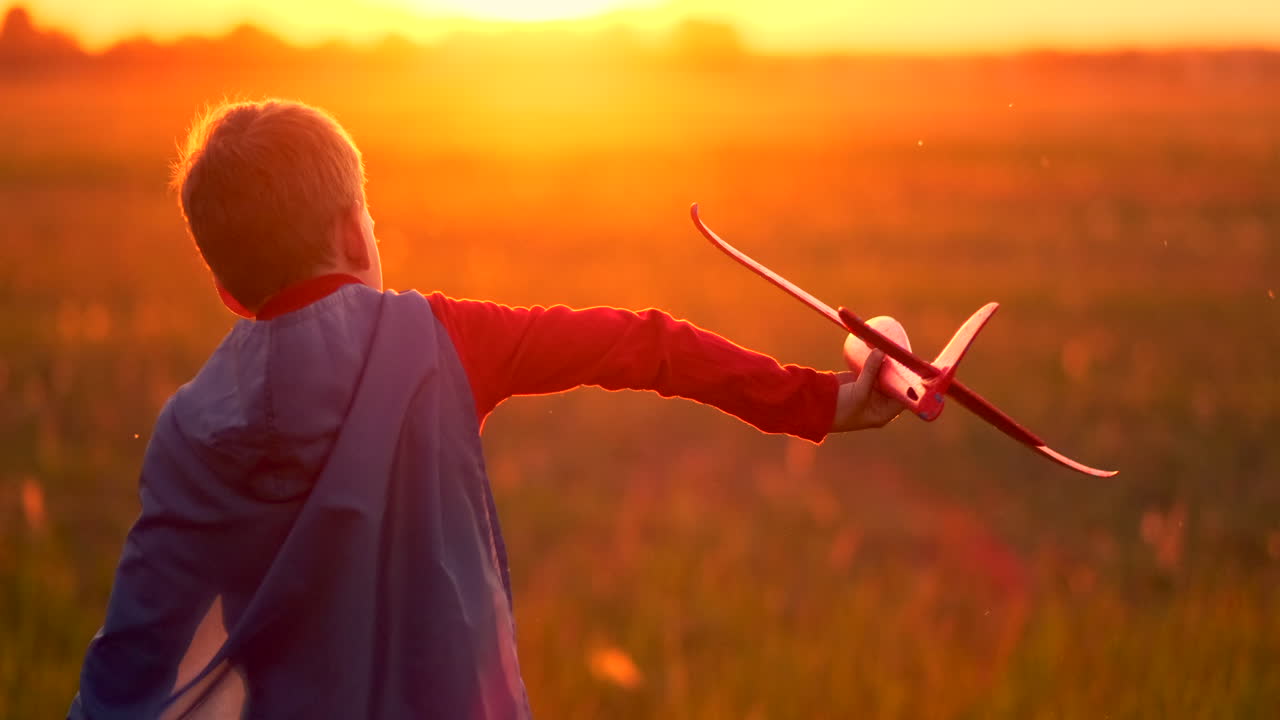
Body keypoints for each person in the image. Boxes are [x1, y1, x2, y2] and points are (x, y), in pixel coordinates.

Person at [69, 99, 902, 719]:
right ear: (357, 237)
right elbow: (645, 345)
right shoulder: (441, 340)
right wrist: (825, 402)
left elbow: (129, 660)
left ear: (225, 289)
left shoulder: (184, 427)